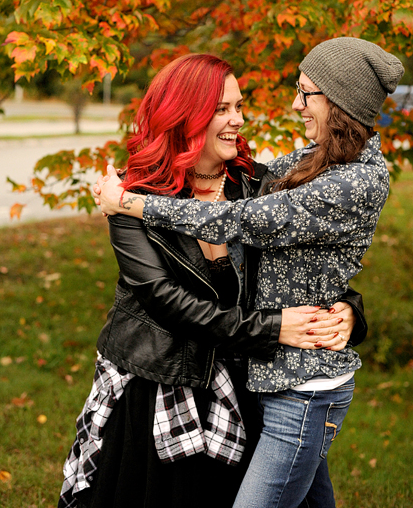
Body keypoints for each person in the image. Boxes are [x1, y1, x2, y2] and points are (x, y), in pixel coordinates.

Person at [96, 38, 404, 508]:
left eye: (238, 106)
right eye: (222, 108)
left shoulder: (255, 182)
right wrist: (277, 328)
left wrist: (348, 310)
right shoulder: (131, 197)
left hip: (245, 384)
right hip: (160, 384)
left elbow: (306, 264)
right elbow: (167, 302)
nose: (238, 120)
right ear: (184, 114)